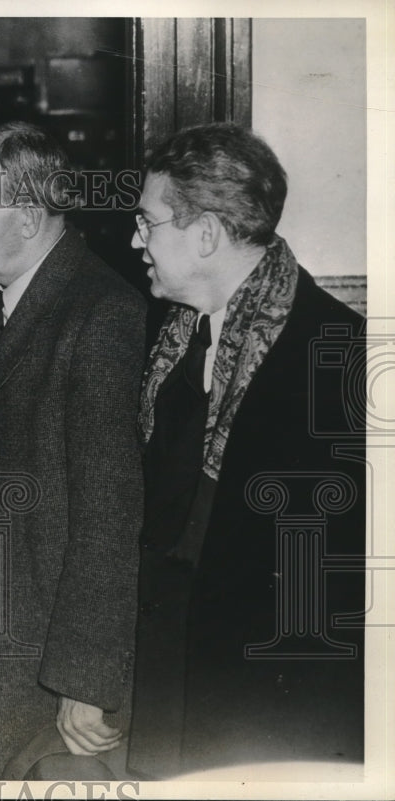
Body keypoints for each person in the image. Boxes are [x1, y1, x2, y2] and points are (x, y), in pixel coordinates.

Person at [128, 122, 365, 778]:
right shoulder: (169, 335)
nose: (134, 239)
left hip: (266, 707)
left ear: (205, 235)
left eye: (147, 223)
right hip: (165, 675)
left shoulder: (339, 358)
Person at [0, 121, 146, 779]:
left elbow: (109, 513)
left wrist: (85, 676)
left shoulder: (101, 314)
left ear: (28, 218)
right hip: (10, 655)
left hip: (60, 690)